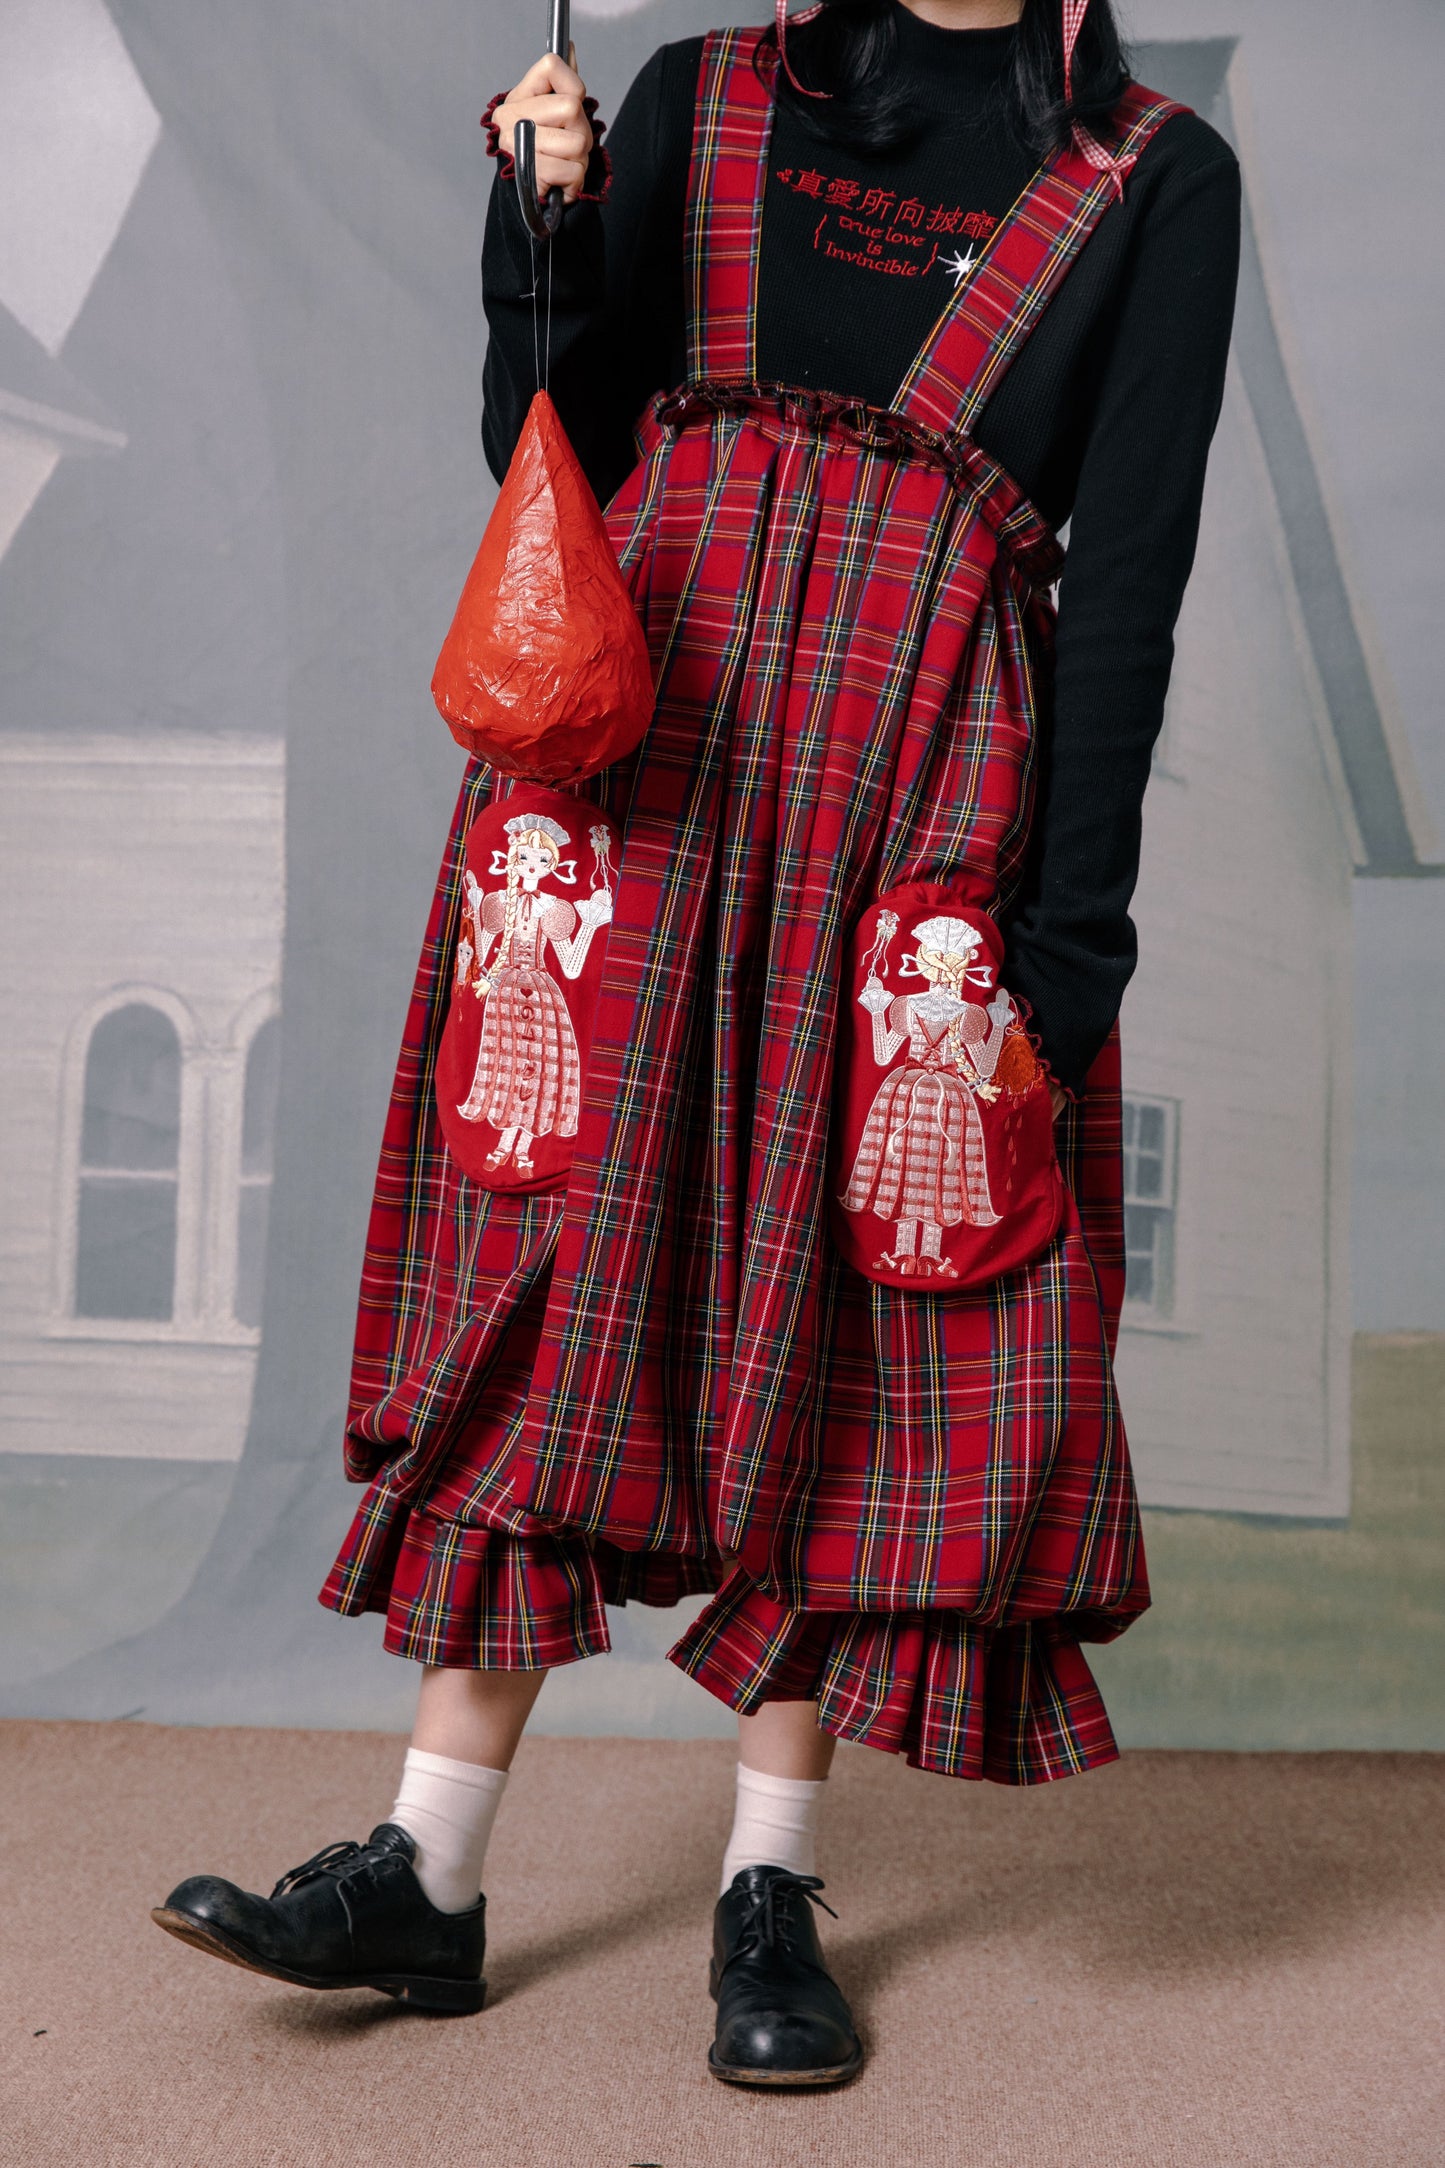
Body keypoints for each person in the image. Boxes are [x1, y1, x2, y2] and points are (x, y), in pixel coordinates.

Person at [152, 0, 1240, 2087]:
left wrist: (1069, 947)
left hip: (917, 778)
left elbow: (1129, 583)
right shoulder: (699, 93)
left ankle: (770, 1885)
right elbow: (544, 446)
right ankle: (428, 1866)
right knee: (546, 1264)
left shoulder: (1152, 176)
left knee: (849, 1305)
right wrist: (539, 229)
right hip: (644, 759)